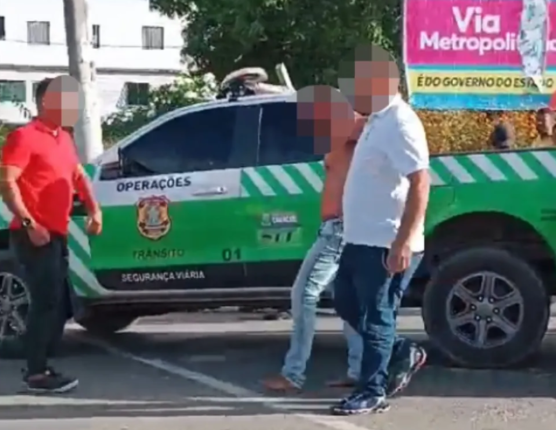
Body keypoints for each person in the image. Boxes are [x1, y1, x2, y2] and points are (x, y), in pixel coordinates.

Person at [332, 45, 430, 415]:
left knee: (377, 316)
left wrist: (403, 241)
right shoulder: (377, 120)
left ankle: (372, 391)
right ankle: (401, 349)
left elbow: (420, 182)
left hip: (385, 241)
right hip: (359, 238)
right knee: (345, 302)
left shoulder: (401, 123)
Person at [0, 76, 102, 393]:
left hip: (56, 234)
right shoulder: (23, 137)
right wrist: (30, 223)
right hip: (33, 235)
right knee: (45, 303)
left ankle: (39, 367)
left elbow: (78, 175)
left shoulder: (64, 139)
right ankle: (36, 373)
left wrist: (94, 209)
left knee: (53, 303)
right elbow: (7, 182)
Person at [262, 86, 366, 392]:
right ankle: (359, 370)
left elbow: (369, 130)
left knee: (303, 294)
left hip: (339, 229)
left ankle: (293, 373)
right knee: (347, 301)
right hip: (340, 227)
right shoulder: (340, 134)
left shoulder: (354, 126)